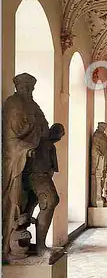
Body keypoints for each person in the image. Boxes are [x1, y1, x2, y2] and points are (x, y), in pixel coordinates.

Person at [2, 73, 50, 260]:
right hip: (18, 159)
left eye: (31, 88)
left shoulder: (33, 105)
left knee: (46, 201)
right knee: (17, 200)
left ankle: (39, 244)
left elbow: (44, 128)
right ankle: (13, 241)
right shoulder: (13, 102)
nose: (28, 91)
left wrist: (38, 128)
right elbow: (16, 130)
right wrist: (34, 128)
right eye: (25, 87)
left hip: (36, 163)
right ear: (17, 87)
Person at [22, 123, 64, 255]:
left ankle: (31, 242)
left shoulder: (48, 145)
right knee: (50, 201)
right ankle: (40, 246)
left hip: (40, 177)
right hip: (36, 176)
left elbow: (51, 169)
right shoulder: (39, 141)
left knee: (33, 205)